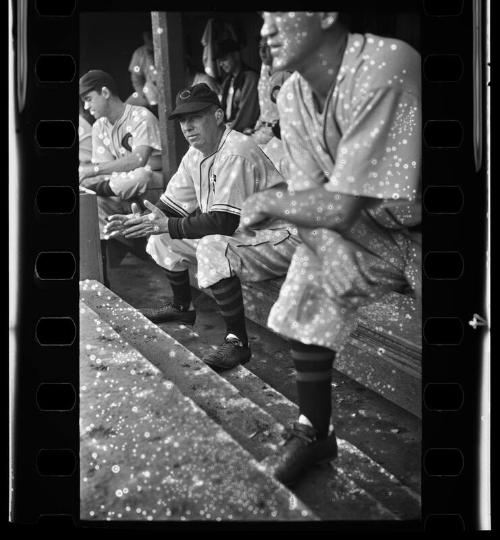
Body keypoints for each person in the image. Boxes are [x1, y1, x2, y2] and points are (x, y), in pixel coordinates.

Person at [241, 12, 421, 486]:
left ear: (325, 13)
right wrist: (328, 247)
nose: (266, 29)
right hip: (373, 227)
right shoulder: (296, 94)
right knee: (309, 273)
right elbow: (309, 198)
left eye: (279, 13)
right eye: (263, 17)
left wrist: (269, 201)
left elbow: (332, 205)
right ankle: (314, 431)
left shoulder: (386, 63)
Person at [104, 83, 300, 371]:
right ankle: (182, 307)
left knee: (212, 246)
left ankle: (237, 343)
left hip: (281, 237)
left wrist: (166, 224)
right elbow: (172, 206)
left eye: (195, 117)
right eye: (183, 120)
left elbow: (223, 222)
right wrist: (145, 220)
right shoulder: (196, 153)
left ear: (218, 116)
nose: (187, 126)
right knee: (160, 236)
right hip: (245, 236)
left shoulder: (236, 150)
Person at [79, 69, 164, 285]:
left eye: (89, 99)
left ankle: (133, 244)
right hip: (121, 187)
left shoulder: (140, 115)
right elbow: (106, 168)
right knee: (92, 203)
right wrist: (99, 174)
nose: (87, 107)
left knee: (140, 175)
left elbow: (139, 159)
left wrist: (92, 172)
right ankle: (102, 278)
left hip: (155, 187)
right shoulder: (99, 126)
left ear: (105, 92)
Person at [247, 38, 291, 146]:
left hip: (281, 134)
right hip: (263, 131)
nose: (262, 51)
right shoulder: (264, 73)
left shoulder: (288, 75)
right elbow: (265, 108)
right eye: (260, 47)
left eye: (267, 47)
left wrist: (275, 130)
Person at [215, 39, 260, 133]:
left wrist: (227, 130)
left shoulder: (250, 78)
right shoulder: (227, 81)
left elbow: (247, 113)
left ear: (236, 55)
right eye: (219, 61)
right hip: (229, 129)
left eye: (224, 59)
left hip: (244, 132)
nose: (221, 64)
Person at [126, 30, 159, 113]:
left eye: (151, 37)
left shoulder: (168, 48)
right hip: (149, 90)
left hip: (170, 89)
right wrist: (145, 95)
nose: (150, 40)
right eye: (148, 37)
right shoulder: (139, 53)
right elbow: (136, 81)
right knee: (127, 109)